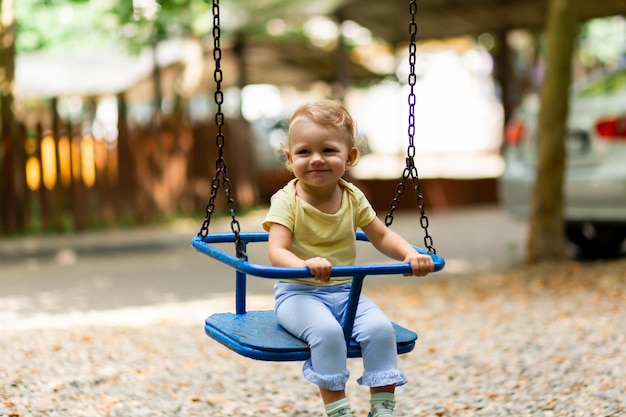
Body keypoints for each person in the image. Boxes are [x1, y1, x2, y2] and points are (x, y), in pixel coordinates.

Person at [262, 100, 434, 417]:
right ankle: (338, 410)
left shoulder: (353, 197)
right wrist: (305, 265)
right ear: (289, 158)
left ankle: (382, 408)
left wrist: (411, 253)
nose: (316, 159)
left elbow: (381, 235)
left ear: (350, 156)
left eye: (328, 150)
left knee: (382, 331)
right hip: (298, 294)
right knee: (327, 334)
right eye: (303, 152)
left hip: (346, 293)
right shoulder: (286, 200)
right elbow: (277, 251)